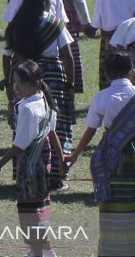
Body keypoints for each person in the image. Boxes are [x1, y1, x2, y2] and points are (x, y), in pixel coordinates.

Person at [0, 59, 66, 257]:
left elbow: (19, 145)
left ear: (35, 83)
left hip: (31, 164)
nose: (16, 87)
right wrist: (61, 158)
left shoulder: (29, 108)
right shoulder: (43, 99)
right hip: (43, 160)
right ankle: (44, 251)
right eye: (14, 82)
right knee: (40, 204)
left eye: (21, 83)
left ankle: (38, 251)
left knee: (30, 209)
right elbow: (52, 133)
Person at [3, 0, 75, 185]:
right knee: (52, 123)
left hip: (24, 74)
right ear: (45, 0)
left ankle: (23, 173)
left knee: (23, 122)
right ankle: (55, 174)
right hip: (52, 75)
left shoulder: (17, 23)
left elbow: (6, 56)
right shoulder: (55, 23)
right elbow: (67, 56)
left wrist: (10, 83)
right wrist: (70, 84)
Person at [64, 50, 135, 257]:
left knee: (113, 202)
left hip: (111, 159)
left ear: (107, 74)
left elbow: (91, 130)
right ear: (131, 71)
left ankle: (112, 249)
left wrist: (75, 154)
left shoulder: (101, 97)